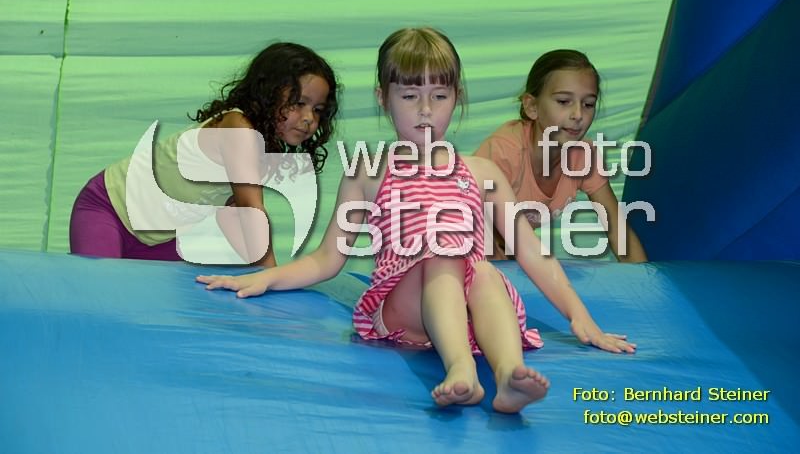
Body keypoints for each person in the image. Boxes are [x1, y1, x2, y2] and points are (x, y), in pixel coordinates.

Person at [197, 28, 635, 414]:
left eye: (439, 97)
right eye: (409, 97)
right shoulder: (370, 171)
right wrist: (267, 277)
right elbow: (328, 259)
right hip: (403, 309)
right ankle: (461, 368)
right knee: (444, 255)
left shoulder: (480, 172)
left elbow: (533, 253)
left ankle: (507, 375)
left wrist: (581, 318)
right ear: (382, 98)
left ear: (457, 97)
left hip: (467, 311)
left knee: (483, 269)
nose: (425, 110)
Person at [69, 42, 340, 265]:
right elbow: (251, 211)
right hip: (109, 209)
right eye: (298, 103)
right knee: (101, 291)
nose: (309, 118)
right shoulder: (238, 127)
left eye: (317, 110)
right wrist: (271, 274)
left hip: (159, 238)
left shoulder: (262, 148)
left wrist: (261, 274)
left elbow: (236, 215)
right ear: (268, 94)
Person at [474, 49, 648, 262]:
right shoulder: (504, 153)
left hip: (507, 250)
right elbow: (466, 224)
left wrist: (644, 278)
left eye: (588, 104)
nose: (578, 115)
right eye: (564, 101)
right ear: (532, 107)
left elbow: (619, 232)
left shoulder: (583, 156)